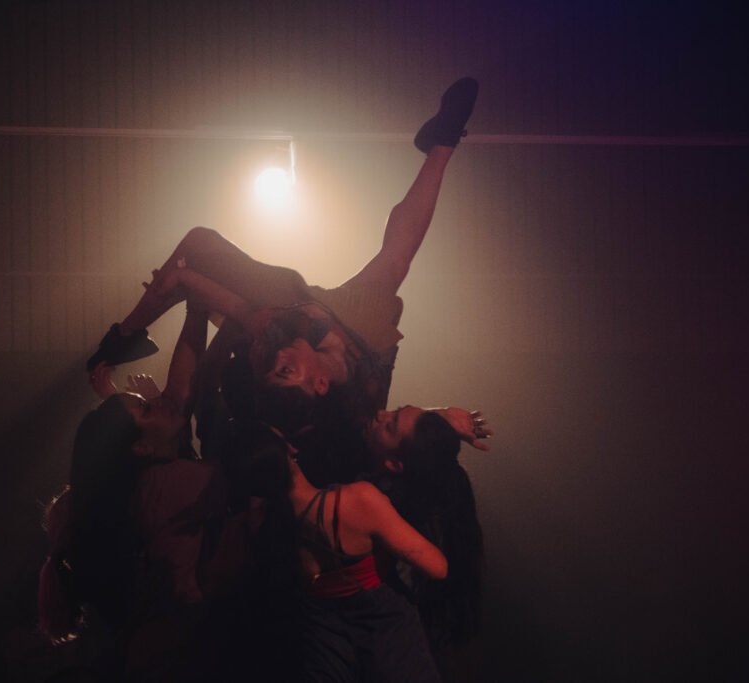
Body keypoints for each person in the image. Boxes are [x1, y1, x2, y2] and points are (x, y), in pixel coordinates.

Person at [85, 77, 489, 479]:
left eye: (274, 369)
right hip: (362, 341)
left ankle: (123, 337)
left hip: (300, 314)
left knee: (197, 245)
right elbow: (395, 436)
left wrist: (183, 278)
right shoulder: (358, 411)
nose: (278, 360)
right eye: (285, 371)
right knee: (395, 262)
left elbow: (237, 310)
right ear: (320, 384)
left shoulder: (274, 344)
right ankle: (443, 143)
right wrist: (441, 421)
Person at [38, 305, 226, 681]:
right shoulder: (172, 485)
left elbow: (127, 445)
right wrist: (204, 305)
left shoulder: (94, 499)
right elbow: (186, 395)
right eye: (147, 407)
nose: (159, 398)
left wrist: (127, 412)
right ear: (139, 447)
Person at [232, 420, 449, 683]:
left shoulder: (264, 529)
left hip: (320, 638)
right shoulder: (356, 501)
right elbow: (437, 567)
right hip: (385, 630)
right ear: (290, 450)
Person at [365, 408, 484, 681]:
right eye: (394, 411)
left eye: (390, 425)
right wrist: (441, 418)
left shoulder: (388, 519)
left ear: (395, 464)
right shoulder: (412, 487)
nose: (381, 414)